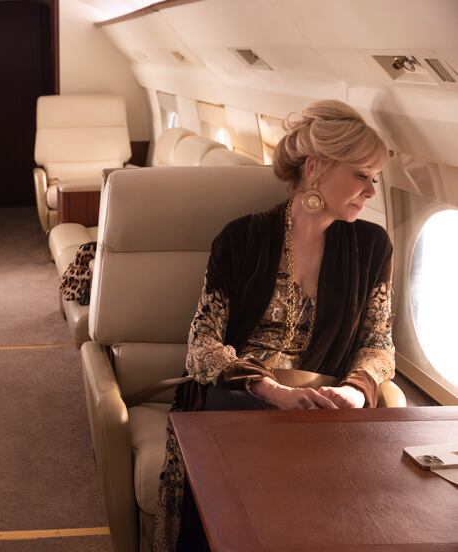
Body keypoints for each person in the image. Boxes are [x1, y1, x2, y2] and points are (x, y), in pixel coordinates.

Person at [153, 99, 395, 551]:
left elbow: (378, 341)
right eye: (361, 175)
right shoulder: (241, 239)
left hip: (319, 407)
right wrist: (269, 389)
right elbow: (202, 344)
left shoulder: (372, 246)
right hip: (238, 395)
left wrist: (356, 390)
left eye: (374, 179)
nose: (370, 192)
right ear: (316, 167)